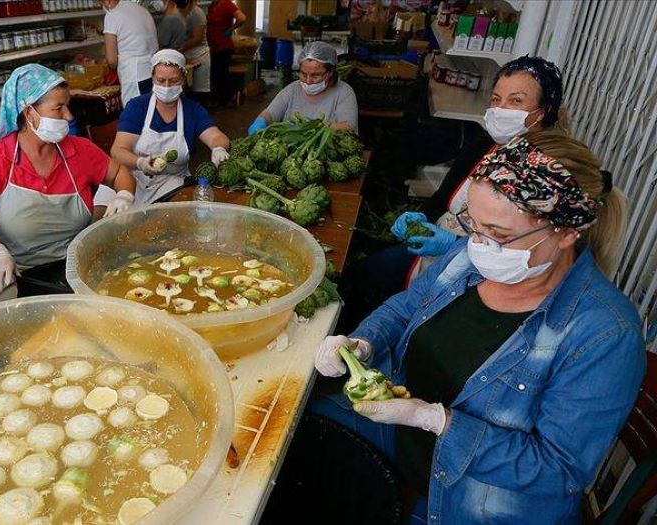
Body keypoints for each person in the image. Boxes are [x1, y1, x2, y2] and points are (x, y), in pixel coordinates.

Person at [312, 133, 645, 524]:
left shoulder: (604, 335)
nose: (479, 243)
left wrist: (436, 420)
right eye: (474, 223)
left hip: (466, 503)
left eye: (500, 235)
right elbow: (407, 306)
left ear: (566, 233)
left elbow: (558, 469)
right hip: (400, 442)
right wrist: (363, 342)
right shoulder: (472, 257)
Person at [336, 56, 566, 333]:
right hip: (436, 242)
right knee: (362, 275)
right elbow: (442, 197)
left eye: (515, 101)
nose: (500, 109)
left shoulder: (545, 174)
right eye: (496, 99)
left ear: (543, 111)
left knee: (418, 318)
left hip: (480, 272)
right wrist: (421, 216)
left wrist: (454, 246)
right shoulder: (482, 146)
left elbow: (519, 253)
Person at [0, 64, 136, 303]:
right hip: (13, 271)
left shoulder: (79, 150)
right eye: (58, 108)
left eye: (67, 107)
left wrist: (124, 195)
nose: (69, 116)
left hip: (72, 267)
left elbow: (119, 173)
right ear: (29, 113)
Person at [95, 49, 230, 207]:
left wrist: (219, 148)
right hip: (132, 178)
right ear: (152, 78)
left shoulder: (192, 110)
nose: (166, 86)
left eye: (173, 81)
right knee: (105, 213)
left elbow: (216, 136)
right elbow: (118, 151)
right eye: (160, 80)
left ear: (183, 80)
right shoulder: (138, 107)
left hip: (170, 183)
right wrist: (140, 163)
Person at [248, 41, 358, 135]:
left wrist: (311, 126)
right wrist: (261, 121)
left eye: (315, 75)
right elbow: (270, 114)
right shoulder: (292, 89)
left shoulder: (344, 93)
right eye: (303, 74)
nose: (308, 81)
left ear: (330, 73)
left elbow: (348, 128)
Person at [101, 0, 159, 106]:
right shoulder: (142, 10)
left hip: (134, 76)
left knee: (134, 115)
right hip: (154, 71)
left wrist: (108, 65)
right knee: (151, 111)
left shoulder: (112, 15)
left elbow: (112, 60)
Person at [206, 0, 245, 107]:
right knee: (216, 74)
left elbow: (242, 18)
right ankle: (220, 99)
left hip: (223, 46)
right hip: (214, 46)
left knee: (221, 74)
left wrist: (231, 29)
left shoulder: (226, 4)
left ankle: (224, 100)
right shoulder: (213, 5)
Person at [181, 0, 210, 101]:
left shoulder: (197, 13)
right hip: (185, 54)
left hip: (199, 54)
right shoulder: (178, 12)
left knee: (199, 90)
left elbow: (197, 38)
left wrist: (178, 48)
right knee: (186, 90)